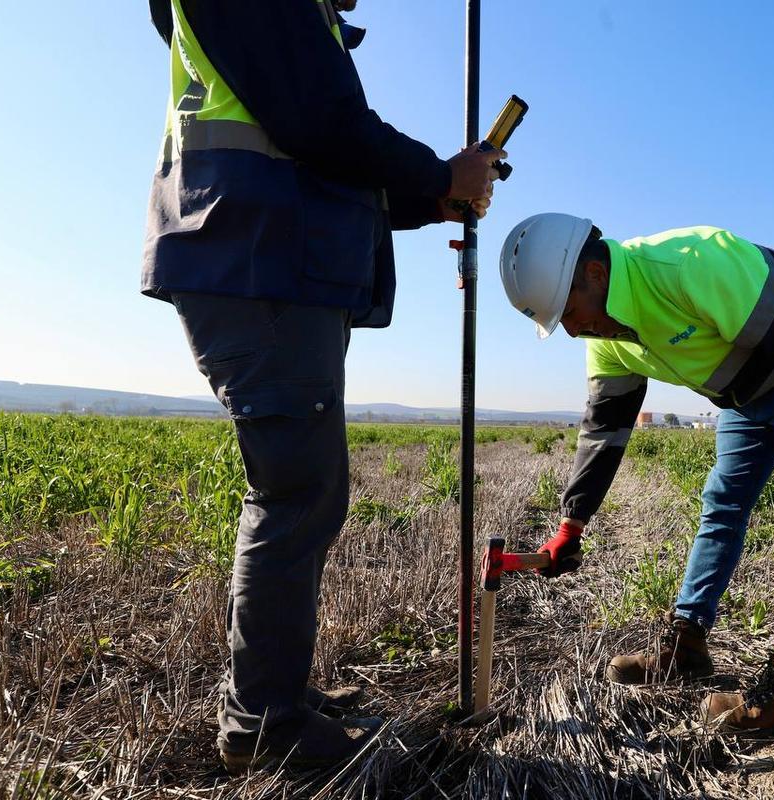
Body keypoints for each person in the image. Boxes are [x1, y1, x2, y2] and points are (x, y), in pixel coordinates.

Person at [141, 0, 502, 773]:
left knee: (310, 491)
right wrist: (443, 172)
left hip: (262, 257)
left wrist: (429, 197)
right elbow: (320, 121)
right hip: (254, 258)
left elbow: (316, 151)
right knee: (296, 493)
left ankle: (275, 697)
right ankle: (263, 724)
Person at [498, 214, 774, 733]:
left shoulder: (689, 265)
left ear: (596, 274)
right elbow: (605, 428)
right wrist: (570, 526)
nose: (572, 329)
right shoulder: (603, 334)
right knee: (722, 506)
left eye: (569, 312)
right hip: (744, 390)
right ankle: (686, 644)